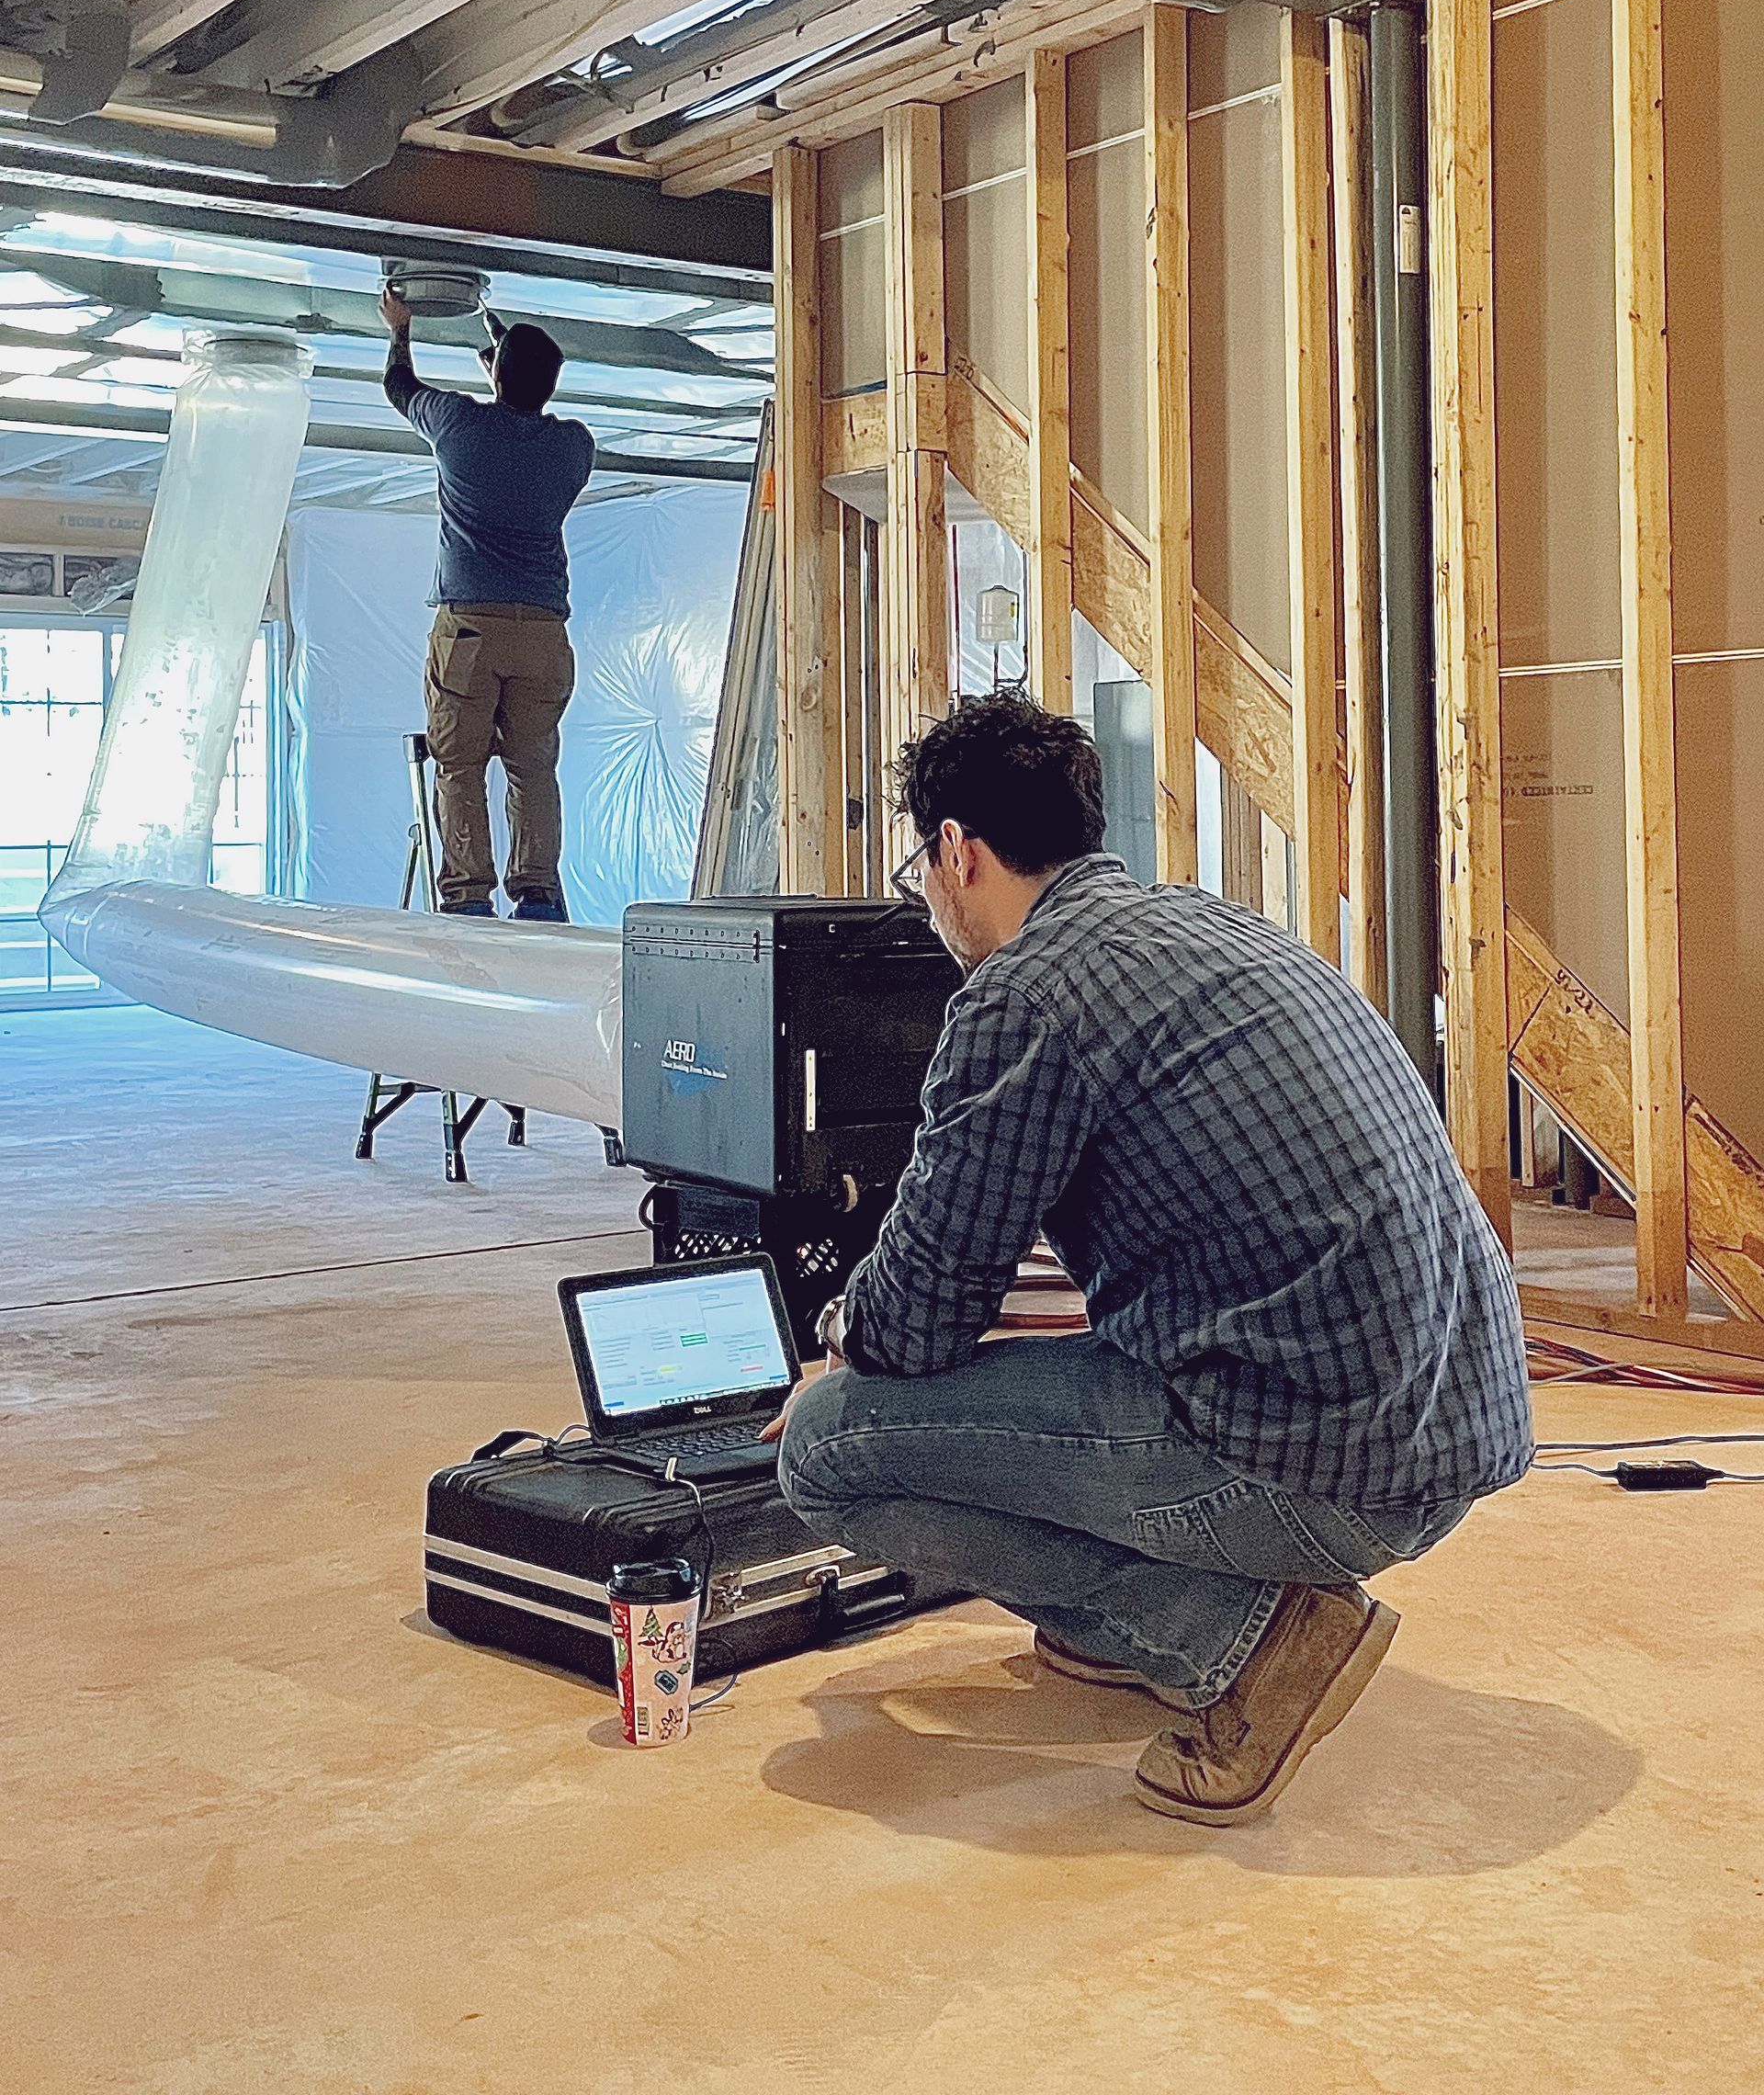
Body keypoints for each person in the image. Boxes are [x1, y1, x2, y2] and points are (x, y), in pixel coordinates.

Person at [773, 692, 1531, 1827]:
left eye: (918, 873)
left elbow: (921, 1314)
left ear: (954, 851)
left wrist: (839, 1345)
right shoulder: (1211, 925)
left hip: (1328, 1468)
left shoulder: (1022, 996)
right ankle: (1123, 1627)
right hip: (1455, 1422)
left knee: (832, 1451)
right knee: (1067, 1369)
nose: (925, 902)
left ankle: (1241, 1640)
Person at [379, 286, 595, 920]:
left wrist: (400, 327)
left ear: (497, 372)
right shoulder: (574, 446)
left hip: (471, 630)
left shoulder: (459, 424)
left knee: (461, 764)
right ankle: (538, 893)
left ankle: (470, 897)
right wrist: (508, 380)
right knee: (533, 767)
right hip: (543, 633)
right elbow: (526, 415)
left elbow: (399, 387)